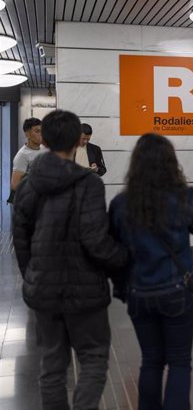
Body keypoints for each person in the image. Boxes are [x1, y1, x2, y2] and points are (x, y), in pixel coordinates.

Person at [11, 109, 128, 410]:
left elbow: (20, 242)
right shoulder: (89, 184)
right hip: (85, 291)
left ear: (45, 140)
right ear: (78, 141)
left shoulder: (27, 185)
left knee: (52, 365)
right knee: (93, 358)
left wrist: (33, 277)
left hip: (44, 290)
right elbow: (95, 240)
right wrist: (124, 262)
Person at [109, 133, 193, 410]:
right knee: (179, 362)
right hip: (177, 291)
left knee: (151, 361)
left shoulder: (121, 204)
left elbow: (114, 246)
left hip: (138, 292)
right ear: (171, 163)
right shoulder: (184, 196)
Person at [8, 117, 47, 202]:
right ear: (27, 134)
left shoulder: (44, 150)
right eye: (37, 131)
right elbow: (14, 185)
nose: (41, 134)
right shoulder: (23, 155)